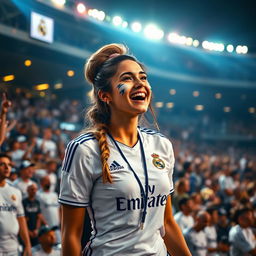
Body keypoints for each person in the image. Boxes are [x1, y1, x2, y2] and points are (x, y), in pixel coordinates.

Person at [59, 43, 191, 255]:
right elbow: (71, 235)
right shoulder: (84, 149)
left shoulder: (162, 145)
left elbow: (167, 223)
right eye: (127, 79)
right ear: (105, 95)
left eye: (143, 77)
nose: (140, 83)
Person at [0, 153, 32, 256]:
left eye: (9, 165)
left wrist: (27, 245)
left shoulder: (15, 192)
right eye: (2, 164)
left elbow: (21, 219)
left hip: (13, 248)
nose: (7, 167)